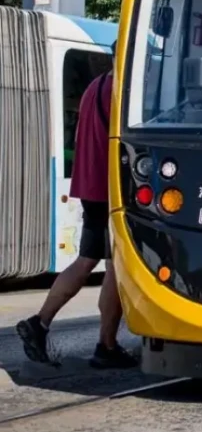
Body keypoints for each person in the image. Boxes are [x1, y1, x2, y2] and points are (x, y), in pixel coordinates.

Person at [16, 62, 137, 369]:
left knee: (101, 262)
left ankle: (48, 327)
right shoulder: (120, 91)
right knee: (108, 264)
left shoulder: (94, 86)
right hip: (110, 191)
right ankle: (100, 343)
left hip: (91, 187)